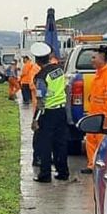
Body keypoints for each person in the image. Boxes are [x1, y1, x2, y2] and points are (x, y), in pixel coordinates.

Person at [31, 42, 69, 183]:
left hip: (48, 113)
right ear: (48, 57)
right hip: (61, 111)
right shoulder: (59, 69)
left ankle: (45, 175)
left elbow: (41, 99)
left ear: (37, 60)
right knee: (60, 143)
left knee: (45, 144)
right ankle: (63, 172)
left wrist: (35, 119)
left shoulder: (41, 76)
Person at [82, 49, 107, 174]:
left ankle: (101, 168)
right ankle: (92, 166)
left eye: (94, 57)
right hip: (95, 116)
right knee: (91, 141)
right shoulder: (99, 74)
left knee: (100, 144)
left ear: (102, 59)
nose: (91, 60)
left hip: (102, 118)